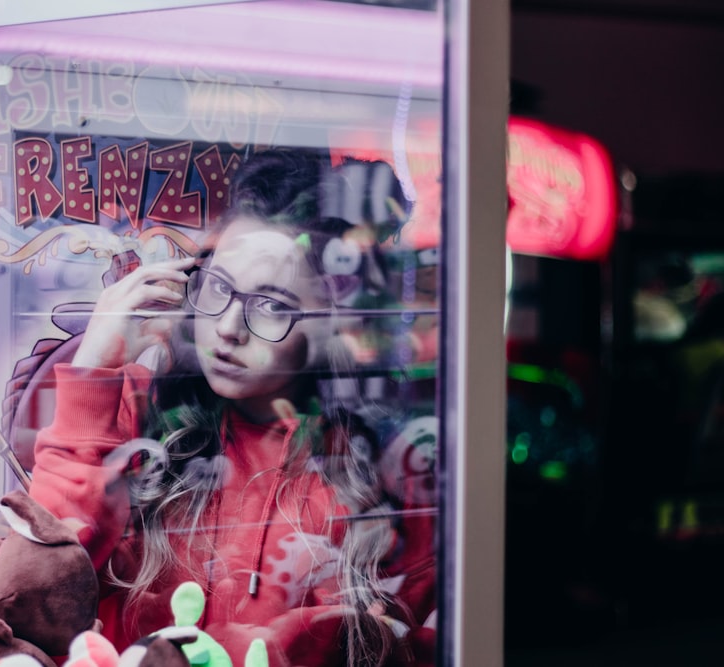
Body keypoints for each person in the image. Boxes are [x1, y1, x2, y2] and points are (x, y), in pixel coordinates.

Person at [29, 149, 436, 666]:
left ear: (334, 322)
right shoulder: (136, 411)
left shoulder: (372, 469)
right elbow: (35, 588)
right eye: (218, 287)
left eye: (271, 305)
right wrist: (92, 372)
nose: (226, 328)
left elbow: (401, 643)